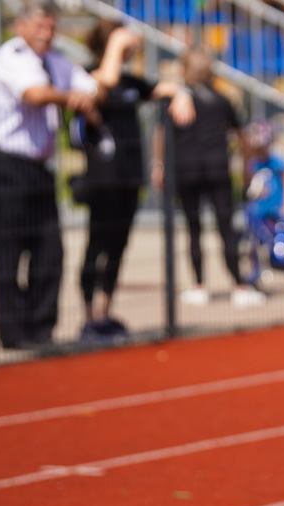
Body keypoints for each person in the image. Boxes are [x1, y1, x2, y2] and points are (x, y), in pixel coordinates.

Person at [77, 20, 195, 342]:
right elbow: (102, 83)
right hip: (102, 178)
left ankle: (104, 312)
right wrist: (115, 45)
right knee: (96, 245)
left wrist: (182, 94)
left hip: (130, 177)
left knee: (118, 246)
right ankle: (87, 316)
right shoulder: (88, 74)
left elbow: (163, 89)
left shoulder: (130, 80)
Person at [0, 0, 100, 350]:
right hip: (7, 165)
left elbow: (90, 85)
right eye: (40, 26)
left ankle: (42, 329)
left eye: (52, 27)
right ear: (21, 26)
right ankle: (15, 333)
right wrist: (72, 97)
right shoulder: (11, 56)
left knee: (51, 250)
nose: (46, 33)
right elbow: (34, 94)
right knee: (9, 252)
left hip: (41, 167)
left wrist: (85, 94)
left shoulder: (57, 60)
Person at [152, 48, 265, 309]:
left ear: (185, 70)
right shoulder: (223, 100)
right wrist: (247, 168)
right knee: (226, 227)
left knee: (193, 228)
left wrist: (159, 166)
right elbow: (243, 137)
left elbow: (161, 135)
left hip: (185, 168)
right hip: (217, 169)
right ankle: (239, 285)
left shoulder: (175, 100)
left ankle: (199, 286)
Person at [242, 120, 284, 286]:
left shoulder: (277, 161)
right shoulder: (253, 163)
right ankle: (255, 276)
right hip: (259, 213)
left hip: (277, 214)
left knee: (279, 252)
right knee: (256, 246)